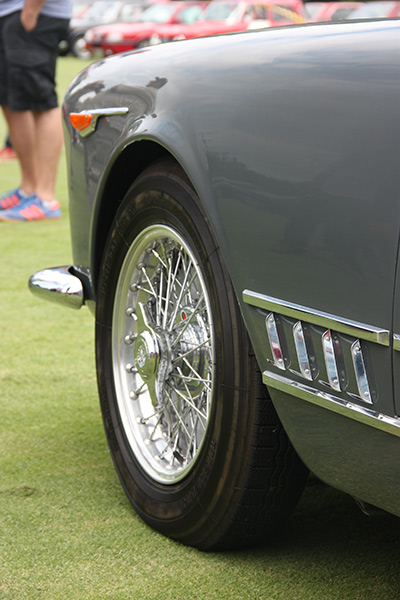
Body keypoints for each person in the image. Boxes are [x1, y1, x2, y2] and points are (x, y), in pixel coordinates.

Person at [0, 0, 72, 221]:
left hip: (33, 14)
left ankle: (45, 198)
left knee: (41, 102)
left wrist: (31, 10)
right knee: (11, 101)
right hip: (9, 15)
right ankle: (28, 190)